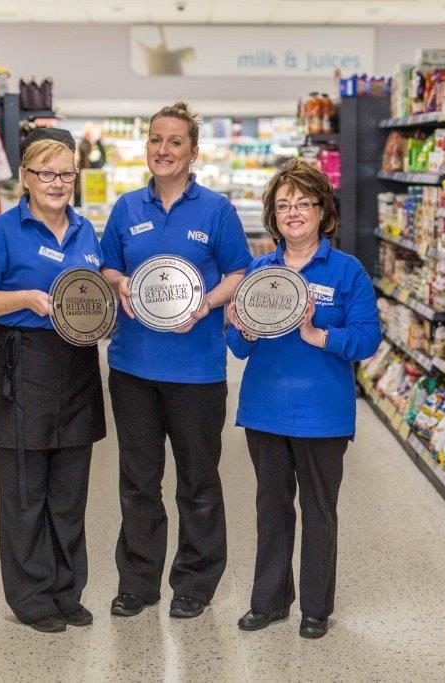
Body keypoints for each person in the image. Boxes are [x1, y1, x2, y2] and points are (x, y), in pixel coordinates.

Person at [99, 102, 252, 619]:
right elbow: (107, 266)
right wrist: (119, 283)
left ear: (192, 151)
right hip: (132, 367)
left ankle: (195, 582)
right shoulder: (125, 208)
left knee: (198, 481)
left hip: (196, 370)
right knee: (139, 481)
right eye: (155, 140)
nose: (162, 150)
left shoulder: (217, 210)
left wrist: (204, 304)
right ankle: (138, 582)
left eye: (174, 142)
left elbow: (237, 272)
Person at [0, 128, 106, 634]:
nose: (57, 182)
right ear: (26, 177)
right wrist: (21, 298)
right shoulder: (1, 231)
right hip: (22, 365)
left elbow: (94, 288)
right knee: (26, 492)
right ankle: (32, 598)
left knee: (70, 492)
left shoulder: (87, 231)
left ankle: (68, 592)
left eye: (65, 174)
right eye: (46, 173)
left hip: (77, 366)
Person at [225, 159, 381, 639]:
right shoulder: (259, 268)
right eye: (283, 204)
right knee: (270, 509)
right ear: (273, 215)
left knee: (318, 511)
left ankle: (316, 608)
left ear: (322, 210)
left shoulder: (346, 271)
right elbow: (238, 347)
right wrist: (240, 325)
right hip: (265, 409)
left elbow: (367, 338)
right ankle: (269, 602)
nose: (293, 213)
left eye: (303, 203)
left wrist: (319, 335)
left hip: (322, 415)